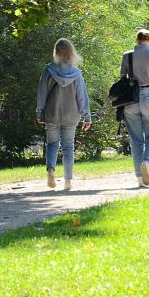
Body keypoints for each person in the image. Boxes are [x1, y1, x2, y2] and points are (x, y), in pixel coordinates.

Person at [36, 38, 92, 191]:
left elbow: (42, 93)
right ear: (71, 53)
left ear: (56, 52)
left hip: (52, 113)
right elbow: (82, 96)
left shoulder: (48, 70)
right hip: (71, 114)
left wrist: (39, 112)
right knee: (68, 147)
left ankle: (51, 172)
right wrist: (87, 116)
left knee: (52, 144)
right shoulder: (77, 73)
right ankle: (67, 181)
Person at [120, 28, 149, 187]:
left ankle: (140, 178)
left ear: (137, 40)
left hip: (131, 99)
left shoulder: (127, 56)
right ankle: (148, 162)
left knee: (136, 139)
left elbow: (123, 80)